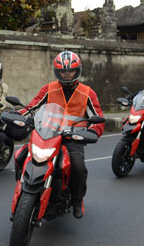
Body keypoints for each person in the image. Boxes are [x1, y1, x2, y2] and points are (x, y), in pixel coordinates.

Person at [19, 51, 105, 219]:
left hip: (73, 139)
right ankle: (23, 188)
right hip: (47, 136)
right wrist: (18, 117)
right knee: (22, 156)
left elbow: (98, 118)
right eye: (63, 71)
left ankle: (77, 199)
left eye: (70, 71)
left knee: (78, 167)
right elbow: (32, 107)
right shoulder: (49, 88)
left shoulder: (87, 92)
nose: (67, 74)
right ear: (57, 72)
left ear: (77, 70)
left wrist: (93, 131)